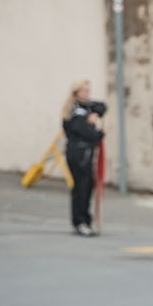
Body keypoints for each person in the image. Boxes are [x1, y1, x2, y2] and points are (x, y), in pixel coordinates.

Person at [61, 79, 106, 237]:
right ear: (76, 92)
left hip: (84, 152)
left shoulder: (85, 107)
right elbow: (88, 133)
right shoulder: (75, 112)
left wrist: (93, 114)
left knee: (85, 186)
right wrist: (99, 133)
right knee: (82, 187)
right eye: (84, 91)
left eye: (88, 90)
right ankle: (81, 221)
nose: (87, 93)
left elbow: (102, 106)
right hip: (78, 153)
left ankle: (83, 220)